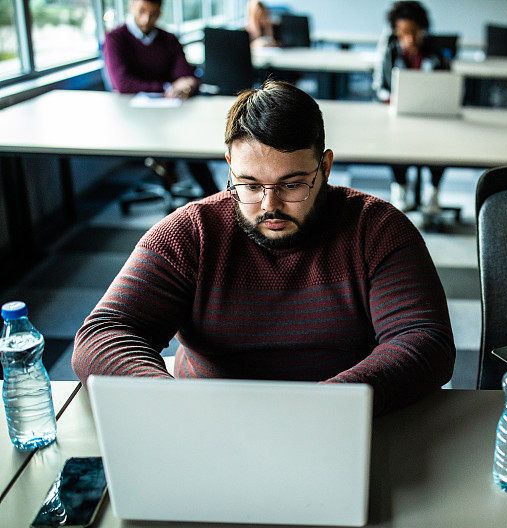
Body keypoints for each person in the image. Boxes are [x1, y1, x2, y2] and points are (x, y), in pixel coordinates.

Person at [72, 81, 456, 416]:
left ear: (325, 167)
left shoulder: (377, 229)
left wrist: (324, 406)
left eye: (291, 185)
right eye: (250, 185)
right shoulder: (190, 233)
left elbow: (424, 340)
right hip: (208, 425)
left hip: (340, 423)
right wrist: (171, 402)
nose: (269, 205)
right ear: (229, 167)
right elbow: (102, 334)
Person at [103, 0, 218, 197]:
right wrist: (166, 88)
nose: (147, 19)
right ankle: (204, 191)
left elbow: (186, 74)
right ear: (131, 6)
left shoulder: (168, 39)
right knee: (184, 138)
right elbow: (122, 84)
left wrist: (188, 83)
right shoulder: (115, 38)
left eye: (154, 13)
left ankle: (215, 198)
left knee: (190, 136)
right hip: (133, 116)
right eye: (142, 11)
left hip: (171, 112)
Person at [373, 1, 449, 214]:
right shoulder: (390, 51)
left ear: (423, 30)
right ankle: (400, 188)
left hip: (431, 116)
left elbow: (447, 86)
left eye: (414, 32)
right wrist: (393, 97)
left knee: (444, 144)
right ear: (396, 32)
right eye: (404, 32)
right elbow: (379, 87)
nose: (410, 38)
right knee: (395, 143)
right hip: (399, 115)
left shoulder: (436, 53)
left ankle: (433, 192)